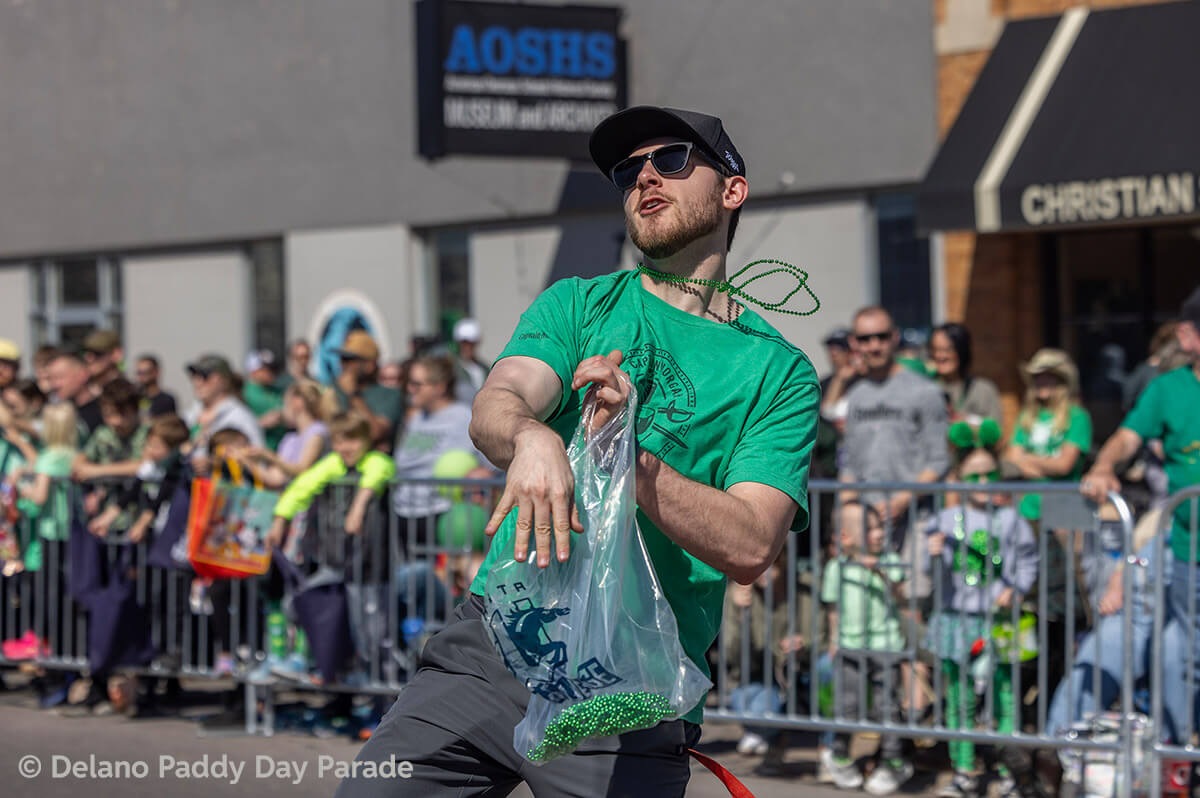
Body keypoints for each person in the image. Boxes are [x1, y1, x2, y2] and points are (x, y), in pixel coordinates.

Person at [338, 105, 818, 797]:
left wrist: (625, 454)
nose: (646, 177)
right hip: (494, 649)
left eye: (674, 160)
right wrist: (533, 435)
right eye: (629, 171)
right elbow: (500, 400)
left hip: (631, 690)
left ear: (732, 190)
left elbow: (749, 545)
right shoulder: (579, 305)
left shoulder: (778, 371)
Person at [1082, 287, 1200, 745]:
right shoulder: (1168, 389)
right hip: (1191, 551)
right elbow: (1127, 437)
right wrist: (1103, 465)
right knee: (1186, 656)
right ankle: (1181, 760)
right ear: (1188, 336)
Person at [925, 423, 1038, 798]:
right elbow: (931, 572)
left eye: (990, 473)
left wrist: (1014, 589)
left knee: (1005, 695)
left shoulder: (1010, 519)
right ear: (960, 477)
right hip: (957, 618)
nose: (984, 481)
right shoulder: (944, 519)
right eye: (975, 475)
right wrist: (934, 554)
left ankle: (1009, 771)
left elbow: (1027, 560)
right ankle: (964, 770)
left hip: (999, 621)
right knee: (959, 697)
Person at [268, 411, 396, 677]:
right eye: (339, 441)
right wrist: (281, 518)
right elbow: (303, 486)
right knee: (300, 604)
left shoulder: (377, 460)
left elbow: (377, 474)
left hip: (369, 568)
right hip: (336, 563)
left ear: (366, 440)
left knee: (370, 631)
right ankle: (319, 667)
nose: (344, 448)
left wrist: (358, 508)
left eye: (352, 441)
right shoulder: (334, 463)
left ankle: (375, 689)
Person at [822, 501, 912, 795]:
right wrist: (833, 639)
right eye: (869, 528)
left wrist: (881, 572)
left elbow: (900, 594)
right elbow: (833, 608)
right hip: (850, 646)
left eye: (879, 527)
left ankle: (893, 762)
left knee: (887, 706)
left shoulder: (890, 559)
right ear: (845, 537)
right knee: (847, 705)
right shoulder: (837, 566)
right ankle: (839, 756)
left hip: (885, 645)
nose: (878, 533)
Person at [391, 356, 482, 551]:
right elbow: (403, 460)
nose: (409, 389)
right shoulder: (416, 418)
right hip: (405, 511)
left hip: (440, 513)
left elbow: (478, 463)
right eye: (409, 382)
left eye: (417, 384)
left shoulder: (463, 416)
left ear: (439, 387)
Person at [1005, 348, 1092, 522]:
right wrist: (1047, 466)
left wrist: (1027, 459)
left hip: (1065, 508)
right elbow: (1011, 459)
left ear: (1062, 381)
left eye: (1047, 376)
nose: (1041, 381)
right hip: (1028, 508)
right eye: (1037, 377)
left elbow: (1064, 465)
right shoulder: (1026, 416)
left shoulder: (1077, 416)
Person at [244, 378, 333, 487]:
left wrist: (269, 456)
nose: (281, 410)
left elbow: (302, 470)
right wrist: (246, 461)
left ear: (297, 403)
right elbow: (275, 479)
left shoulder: (318, 432)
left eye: (284, 404)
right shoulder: (291, 438)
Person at [183, 354, 264, 462]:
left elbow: (258, 459)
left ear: (223, 380)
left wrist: (212, 462)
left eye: (204, 376)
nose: (197, 382)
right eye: (194, 375)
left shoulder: (241, 417)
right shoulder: (189, 414)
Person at [334, 331, 404, 453]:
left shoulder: (389, 395)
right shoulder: (334, 392)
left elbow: (375, 432)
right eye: (342, 359)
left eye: (350, 359)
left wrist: (353, 395)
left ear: (369, 365)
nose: (343, 364)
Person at [930, 322, 1002, 426]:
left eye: (947, 349)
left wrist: (967, 420)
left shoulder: (983, 391)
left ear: (962, 350)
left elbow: (996, 434)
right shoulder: (925, 389)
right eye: (935, 349)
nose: (939, 355)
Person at [47, 349, 103, 437]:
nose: (54, 385)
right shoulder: (56, 410)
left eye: (60, 377)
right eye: (51, 379)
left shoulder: (103, 411)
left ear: (82, 375)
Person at [242, 350, 287, 450]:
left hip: (280, 449)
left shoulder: (278, 391)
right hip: (258, 449)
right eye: (267, 369)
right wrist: (260, 423)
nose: (273, 373)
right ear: (254, 370)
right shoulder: (244, 393)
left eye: (273, 369)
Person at [452, 318, 490, 404]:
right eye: (464, 343)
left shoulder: (484, 369)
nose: (467, 347)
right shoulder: (451, 368)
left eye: (471, 343)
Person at [132, 354, 177, 420]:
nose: (142, 376)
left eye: (146, 372)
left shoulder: (167, 400)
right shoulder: (133, 399)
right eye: (139, 373)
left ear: (156, 372)